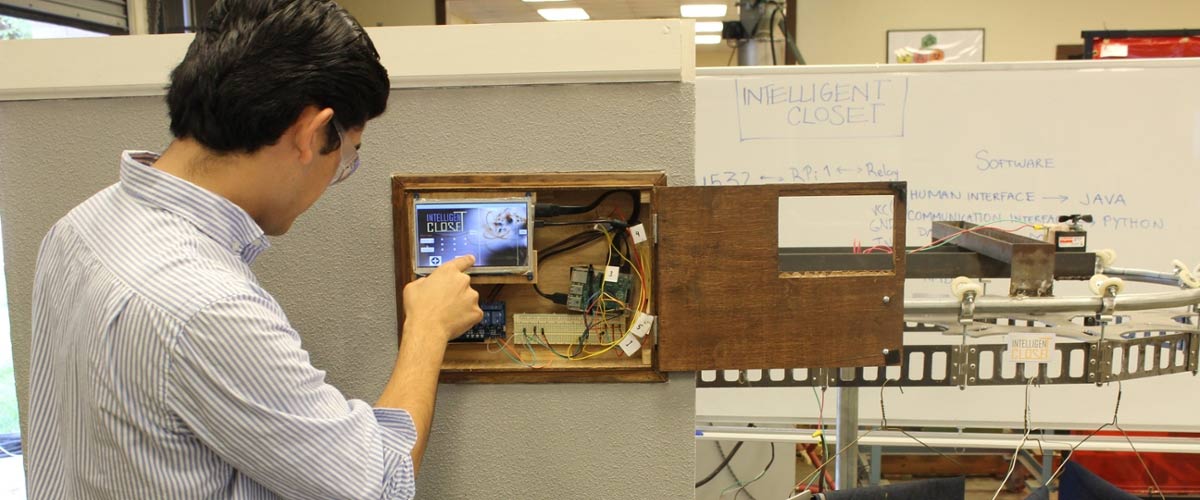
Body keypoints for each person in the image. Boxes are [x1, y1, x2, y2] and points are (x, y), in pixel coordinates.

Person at [25, 1, 482, 498]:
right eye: (347, 155)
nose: (338, 175)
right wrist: (428, 329)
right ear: (310, 133)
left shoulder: (79, 227)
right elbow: (377, 482)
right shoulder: (208, 308)